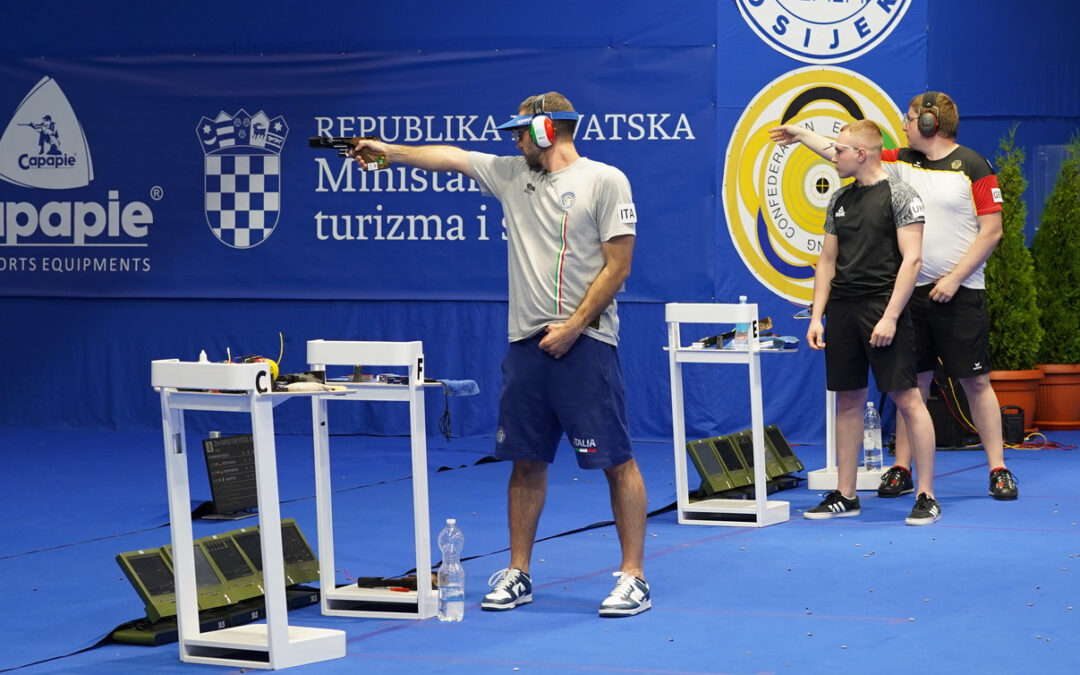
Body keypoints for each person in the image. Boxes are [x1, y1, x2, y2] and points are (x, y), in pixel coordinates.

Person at [351, 92, 650, 617]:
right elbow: (451, 157)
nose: (512, 140)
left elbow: (618, 268)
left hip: (586, 344)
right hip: (525, 346)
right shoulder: (514, 174)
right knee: (525, 461)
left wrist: (574, 326)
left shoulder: (606, 179)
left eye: (520, 131)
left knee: (616, 461)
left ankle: (633, 576)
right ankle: (519, 572)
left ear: (546, 131)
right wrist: (389, 152)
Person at [770, 91, 1015, 501]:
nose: (903, 123)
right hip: (906, 295)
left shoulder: (974, 165)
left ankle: (998, 468)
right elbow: (844, 151)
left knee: (975, 381)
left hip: (960, 290)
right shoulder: (900, 161)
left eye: (910, 117)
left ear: (929, 124)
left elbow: (992, 231)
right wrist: (799, 134)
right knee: (909, 384)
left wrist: (954, 278)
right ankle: (901, 467)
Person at [795, 119, 941, 525]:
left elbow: (912, 260)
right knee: (848, 400)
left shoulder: (900, 194)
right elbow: (826, 260)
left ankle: (927, 493)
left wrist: (891, 316)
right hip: (842, 309)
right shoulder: (839, 199)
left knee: (907, 399)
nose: (833, 155)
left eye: (839, 150)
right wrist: (817, 316)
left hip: (883, 305)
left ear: (861, 154)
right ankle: (846, 493)